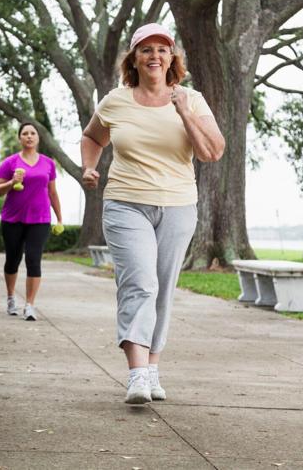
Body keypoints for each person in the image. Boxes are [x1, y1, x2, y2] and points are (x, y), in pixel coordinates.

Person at [80, 23, 225, 404]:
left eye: (162, 49)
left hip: (178, 205)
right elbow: (93, 137)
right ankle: (136, 374)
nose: (155, 56)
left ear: (172, 58)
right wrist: (88, 167)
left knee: (163, 289)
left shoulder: (191, 100)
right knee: (140, 284)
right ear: (135, 58)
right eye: (146, 49)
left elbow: (212, 152)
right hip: (126, 203)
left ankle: (153, 368)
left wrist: (183, 112)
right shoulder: (115, 100)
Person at [0, 122, 63, 321]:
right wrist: (11, 182)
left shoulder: (48, 163)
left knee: (34, 260)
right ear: (20, 138)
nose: (29, 136)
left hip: (40, 219)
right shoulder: (10, 163)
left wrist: (59, 217)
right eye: (25, 133)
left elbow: (52, 192)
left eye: (33, 133)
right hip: (12, 218)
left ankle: (30, 305)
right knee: (13, 260)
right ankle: (10, 298)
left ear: (38, 138)